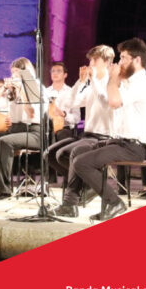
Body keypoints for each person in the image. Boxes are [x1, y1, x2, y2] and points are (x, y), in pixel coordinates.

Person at [54, 38, 146, 221]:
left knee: (82, 163)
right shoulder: (129, 82)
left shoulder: (142, 83)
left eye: (123, 58)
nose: (120, 62)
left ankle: (114, 202)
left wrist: (113, 78)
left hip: (132, 146)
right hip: (118, 141)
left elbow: (113, 102)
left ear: (137, 60)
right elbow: (106, 100)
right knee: (77, 152)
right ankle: (71, 203)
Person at [0, 57, 46, 199]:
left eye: (17, 73)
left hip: (34, 131)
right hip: (15, 130)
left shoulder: (36, 87)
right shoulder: (12, 90)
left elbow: (31, 113)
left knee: (4, 142)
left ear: (26, 73)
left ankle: (3, 189)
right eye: (12, 73)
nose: (14, 76)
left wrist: (22, 90)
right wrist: (4, 88)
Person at [48, 45, 115, 190]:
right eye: (91, 60)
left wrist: (93, 80)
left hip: (103, 137)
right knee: (50, 154)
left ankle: (88, 184)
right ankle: (86, 183)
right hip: (87, 135)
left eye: (95, 60)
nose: (91, 64)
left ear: (106, 62)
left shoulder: (112, 83)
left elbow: (105, 103)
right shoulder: (91, 86)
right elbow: (69, 103)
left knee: (63, 154)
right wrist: (81, 82)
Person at [45, 62, 79, 142]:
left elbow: (77, 118)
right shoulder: (45, 92)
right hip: (48, 128)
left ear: (65, 75)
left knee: (62, 134)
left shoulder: (72, 92)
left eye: (59, 71)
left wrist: (64, 114)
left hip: (65, 128)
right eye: (53, 71)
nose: (55, 73)